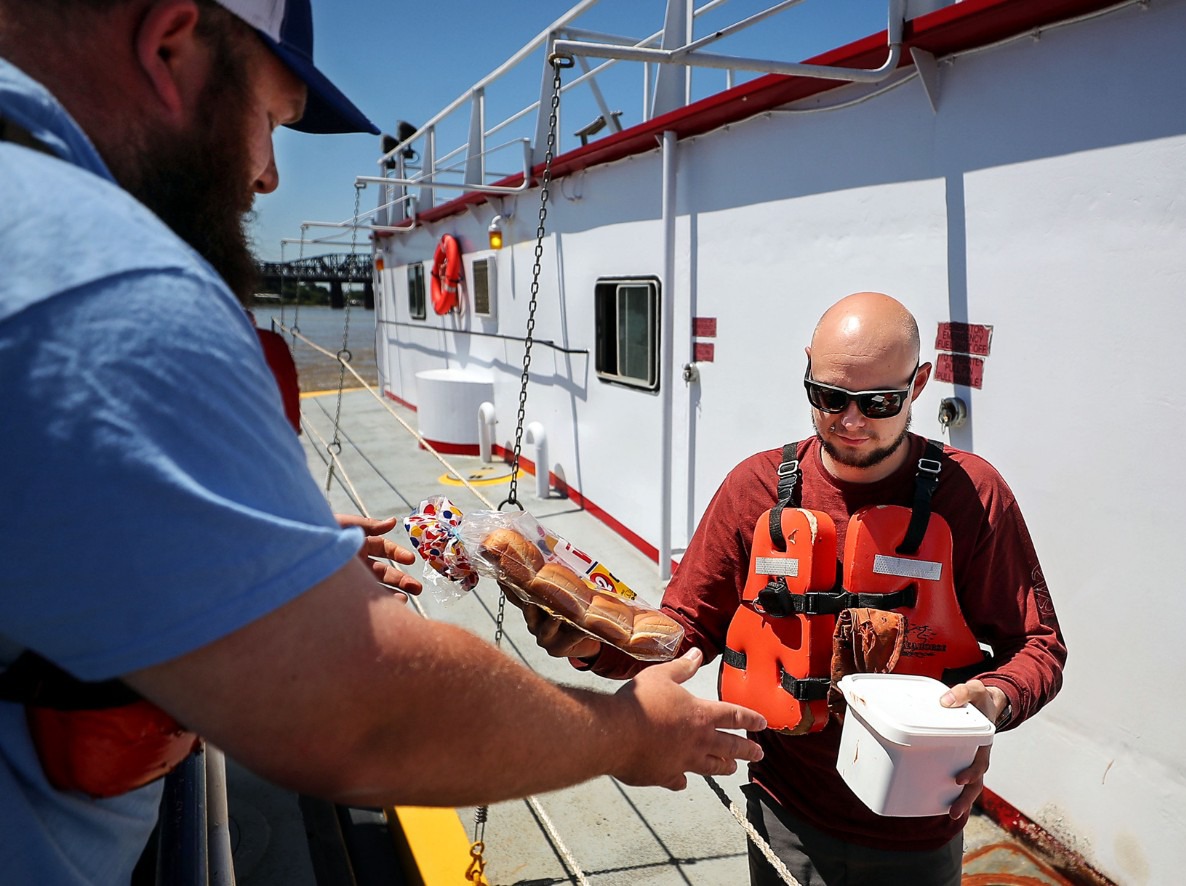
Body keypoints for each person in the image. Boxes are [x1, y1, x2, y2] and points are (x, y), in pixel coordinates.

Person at [0, 1, 767, 882]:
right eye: (271, 120)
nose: (270, 175)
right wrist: (626, 733)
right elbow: (354, 711)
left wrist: (270, 559)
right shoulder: (102, 282)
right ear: (168, 44)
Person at [514, 292, 1068, 885]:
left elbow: (1038, 647)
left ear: (920, 384)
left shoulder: (974, 496)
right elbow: (685, 627)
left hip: (920, 826)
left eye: (879, 401)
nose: (851, 421)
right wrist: (596, 644)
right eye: (830, 396)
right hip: (785, 810)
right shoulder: (753, 489)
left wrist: (990, 701)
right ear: (807, 370)